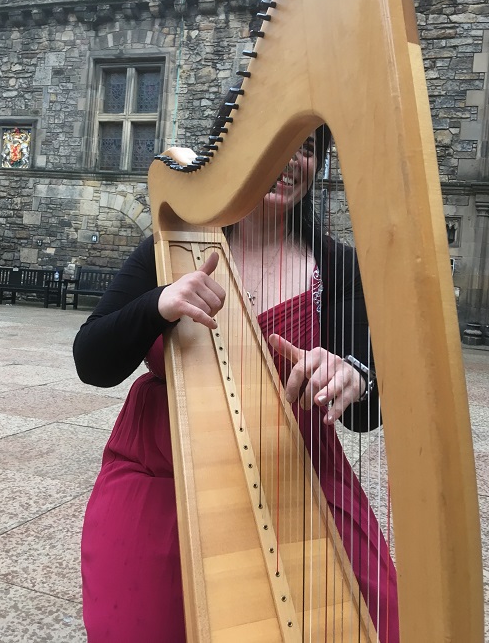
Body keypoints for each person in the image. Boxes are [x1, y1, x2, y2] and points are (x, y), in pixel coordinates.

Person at [73, 123, 399, 643]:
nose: (290, 161)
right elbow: (91, 360)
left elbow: (369, 407)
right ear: (237, 157)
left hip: (295, 475)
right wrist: (157, 305)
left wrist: (353, 377)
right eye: (273, 146)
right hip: (161, 471)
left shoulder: (336, 267)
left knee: (368, 613)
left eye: (307, 151)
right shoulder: (168, 249)